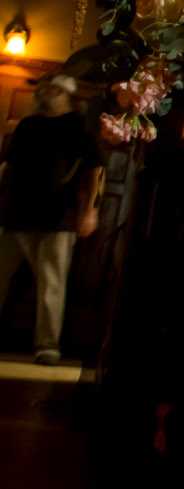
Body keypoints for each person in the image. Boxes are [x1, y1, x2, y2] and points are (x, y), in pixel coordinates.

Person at [0, 75, 104, 365]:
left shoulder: (80, 131)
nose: (41, 94)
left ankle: (47, 347)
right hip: (15, 217)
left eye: (47, 89)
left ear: (62, 92)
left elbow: (92, 174)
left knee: (51, 286)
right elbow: (8, 165)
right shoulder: (27, 126)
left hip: (57, 220)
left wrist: (89, 211)